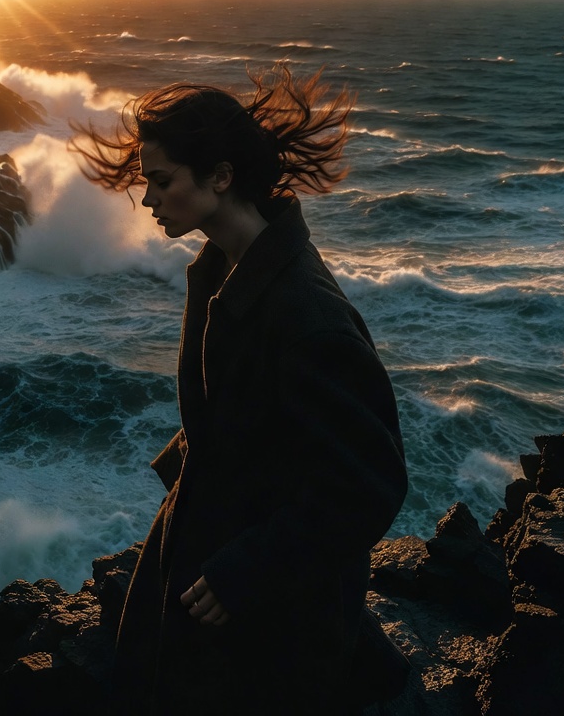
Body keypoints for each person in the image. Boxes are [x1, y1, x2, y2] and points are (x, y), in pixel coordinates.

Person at [71, 66, 408, 715]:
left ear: (220, 177)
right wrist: (196, 469)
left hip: (268, 624)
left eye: (161, 180)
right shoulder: (224, 269)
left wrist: (246, 571)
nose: (148, 199)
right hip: (211, 571)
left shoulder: (309, 319)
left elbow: (370, 486)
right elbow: (253, 410)